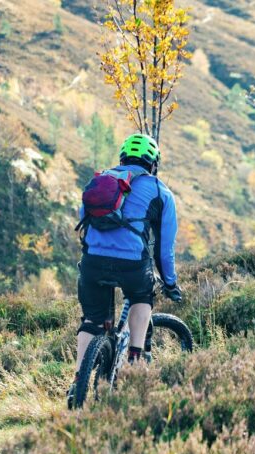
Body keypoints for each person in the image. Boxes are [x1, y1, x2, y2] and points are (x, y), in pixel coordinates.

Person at [68, 133, 182, 406]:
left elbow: (84, 219)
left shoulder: (99, 182)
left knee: (93, 321)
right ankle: (134, 359)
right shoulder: (160, 191)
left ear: (122, 159)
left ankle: (76, 383)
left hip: (93, 263)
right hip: (132, 267)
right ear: (153, 164)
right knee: (142, 297)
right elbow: (164, 249)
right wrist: (170, 283)